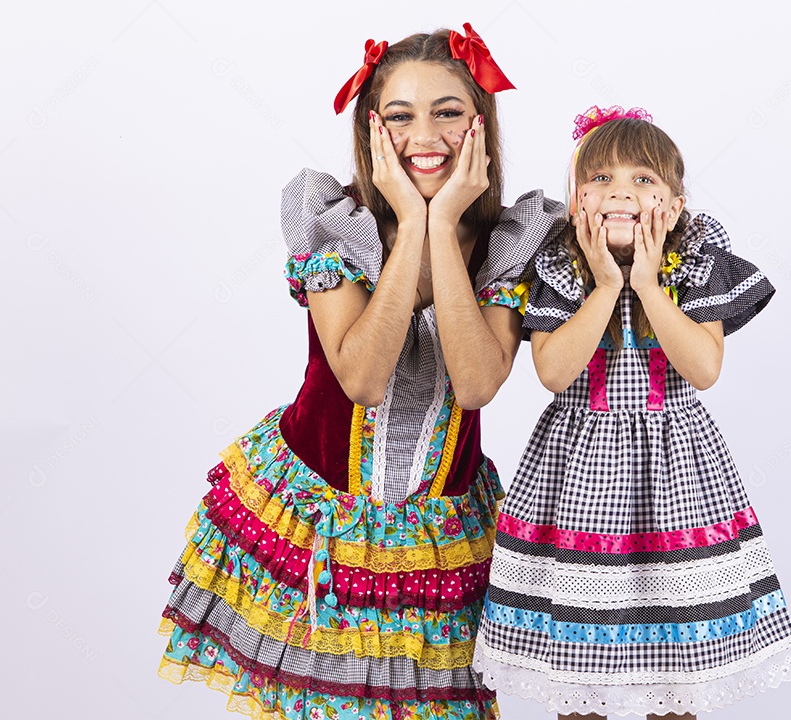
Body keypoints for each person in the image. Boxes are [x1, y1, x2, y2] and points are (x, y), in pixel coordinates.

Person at [157, 25, 566, 720]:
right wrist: (411, 226)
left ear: (480, 122)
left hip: (438, 538)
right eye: (400, 116)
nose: (424, 135)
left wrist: (444, 226)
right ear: (373, 128)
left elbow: (475, 385)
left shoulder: (511, 237)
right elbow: (363, 379)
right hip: (320, 514)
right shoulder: (334, 221)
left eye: (447, 111)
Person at [473, 106, 791, 719]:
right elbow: (553, 372)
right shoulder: (557, 265)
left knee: (676, 667)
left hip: (677, 475)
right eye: (600, 179)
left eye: (643, 180)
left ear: (674, 207)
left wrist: (648, 285)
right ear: (575, 201)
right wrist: (605, 286)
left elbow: (702, 369)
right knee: (580, 672)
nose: (620, 191)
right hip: (577, 478)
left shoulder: (694, 265)